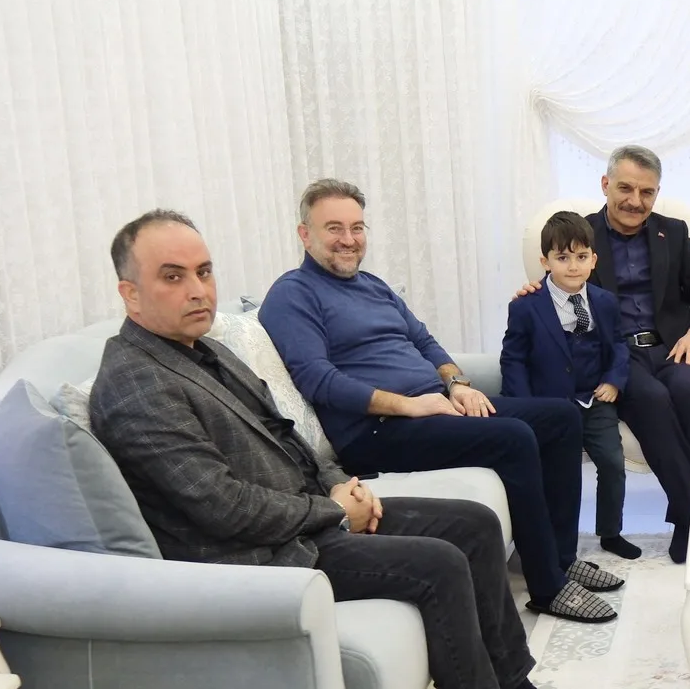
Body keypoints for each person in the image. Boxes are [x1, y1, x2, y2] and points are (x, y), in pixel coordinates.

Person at [88, 210, 589, 689]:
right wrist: (334, 512)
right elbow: (221, 508)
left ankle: (513, 686)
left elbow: (286, 433)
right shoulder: (134, 384)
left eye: (203, 271)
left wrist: (334, 483)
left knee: (474, 524)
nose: (197, 289)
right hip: (262, 557)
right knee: (439, 565)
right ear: (130, 293)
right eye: (172, 277)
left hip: (307, 514)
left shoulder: (205, 350)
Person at [258, 179, 621, 624]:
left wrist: (456, 384)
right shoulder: (293, 293)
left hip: (433, 407)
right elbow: (318, 380)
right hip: (376, 431)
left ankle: (562, 558)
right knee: (513, 437)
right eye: (334, 228)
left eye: (357, 227)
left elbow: (424, 341)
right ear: (304, 234)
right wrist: (410, 405)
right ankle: (546, 586)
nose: (349, 240)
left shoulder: (373, 286)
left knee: (562, 418)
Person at [518, 146, 690, 564]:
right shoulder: (583, 234)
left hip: (673, 349)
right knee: (650, 399)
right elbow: (559, 279)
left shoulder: (676, 233)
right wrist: (533, 292)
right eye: (626, 188)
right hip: (616, 354)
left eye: (647, 192)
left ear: (657, 193)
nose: (636, 201)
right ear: (606, 185)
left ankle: (687, 518)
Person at [501, 212, 640, 560]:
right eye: (562, 258)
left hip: (595, 399)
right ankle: (555, 540)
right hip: (549, 405)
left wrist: (613, 380)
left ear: (593, 260)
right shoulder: (526, 307)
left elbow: (620, 346)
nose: (573, 266)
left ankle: (611, 531)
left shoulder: (604, 302)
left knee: (612, 463)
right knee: (557, 475)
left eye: (581, 257)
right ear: (545, 261)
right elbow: (513, 359)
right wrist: (524, 407)